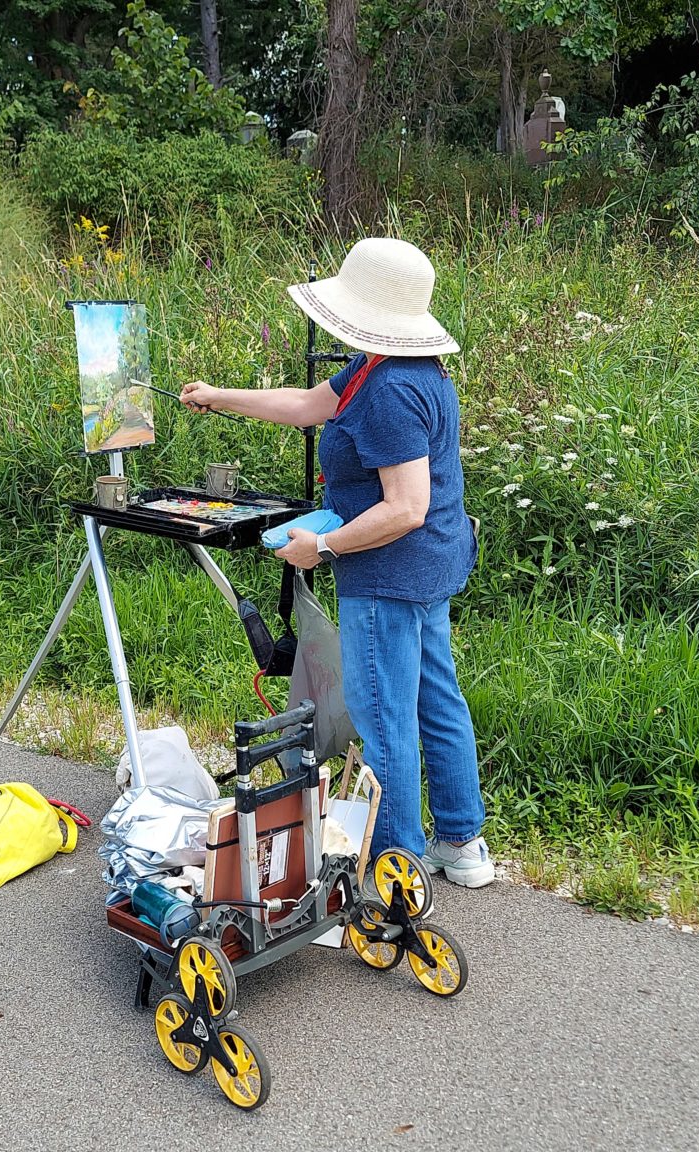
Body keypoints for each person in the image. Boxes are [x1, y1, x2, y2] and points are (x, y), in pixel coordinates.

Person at [179, 237, 493, 888]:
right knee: (438, 700)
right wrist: (219, 395)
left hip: (390, 573)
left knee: (384, 724)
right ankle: (462, 847)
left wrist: (318, 546)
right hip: (431, 566)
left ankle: (397, 873)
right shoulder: (389, 364)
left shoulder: (390, 390)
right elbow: (305, 406)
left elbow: (405, 506)